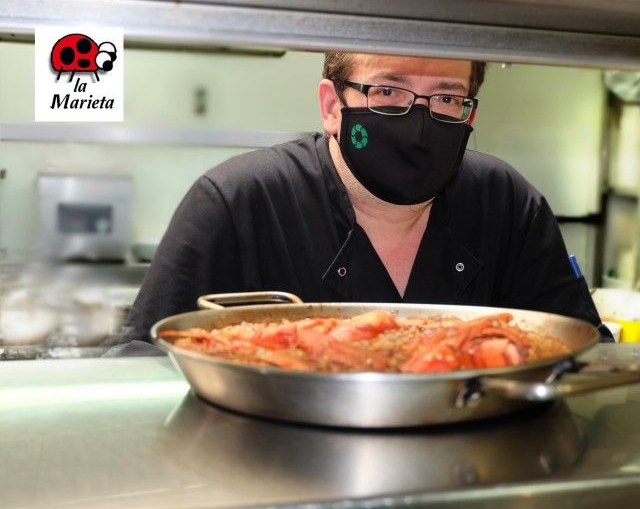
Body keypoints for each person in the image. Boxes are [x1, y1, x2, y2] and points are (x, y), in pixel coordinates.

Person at [124, 52, 612, 344]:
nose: (419, 123)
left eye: (446, 98)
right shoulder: (237, 202)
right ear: (331, 106)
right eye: (388, 91)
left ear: (470, 113)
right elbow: (142, 363)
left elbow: (582, 353)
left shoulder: (507, 204)